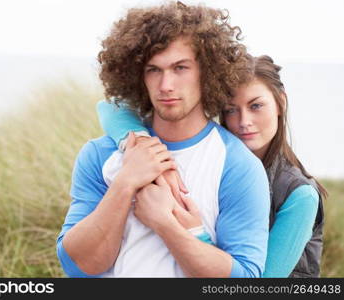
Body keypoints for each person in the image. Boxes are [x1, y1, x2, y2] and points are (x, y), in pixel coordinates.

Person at [57, 1, 270, 278]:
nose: (165, 85)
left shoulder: (237, 165)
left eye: (180, 68)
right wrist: (125, 183)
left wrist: (164, 223)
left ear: (206, 72)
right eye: (153, 70)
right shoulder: (101, 153)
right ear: (137, 76)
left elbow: (245, 279)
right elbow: (77, 267)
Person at [97, 54, 327, 277]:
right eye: (230, 110)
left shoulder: (300, 195)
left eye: (256, 106)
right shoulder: (221, 163)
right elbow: (110, 106)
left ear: (280, 103)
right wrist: (143, 145)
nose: (243, 122)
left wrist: (195, 233)